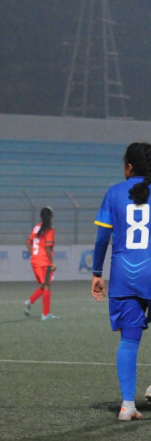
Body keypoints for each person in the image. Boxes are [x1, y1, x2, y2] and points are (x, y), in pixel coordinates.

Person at [91, 142, 151, 421]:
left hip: (125, 274)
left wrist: (96, 272)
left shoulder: (114, 192)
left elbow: (103, 238)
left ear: (129, 167)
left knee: (129, 341)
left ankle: (128, 405)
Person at [23, 207, 58, 320]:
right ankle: (45, 314)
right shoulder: (49, 229)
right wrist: (52, 262)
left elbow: (28, 243)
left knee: (44, 285)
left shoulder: (37, 227)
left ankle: (30, 301)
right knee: (47, 285)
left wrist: (34, 255)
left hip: (35, 261)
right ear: (51, 216)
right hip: (44, 261)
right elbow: (48, 247)